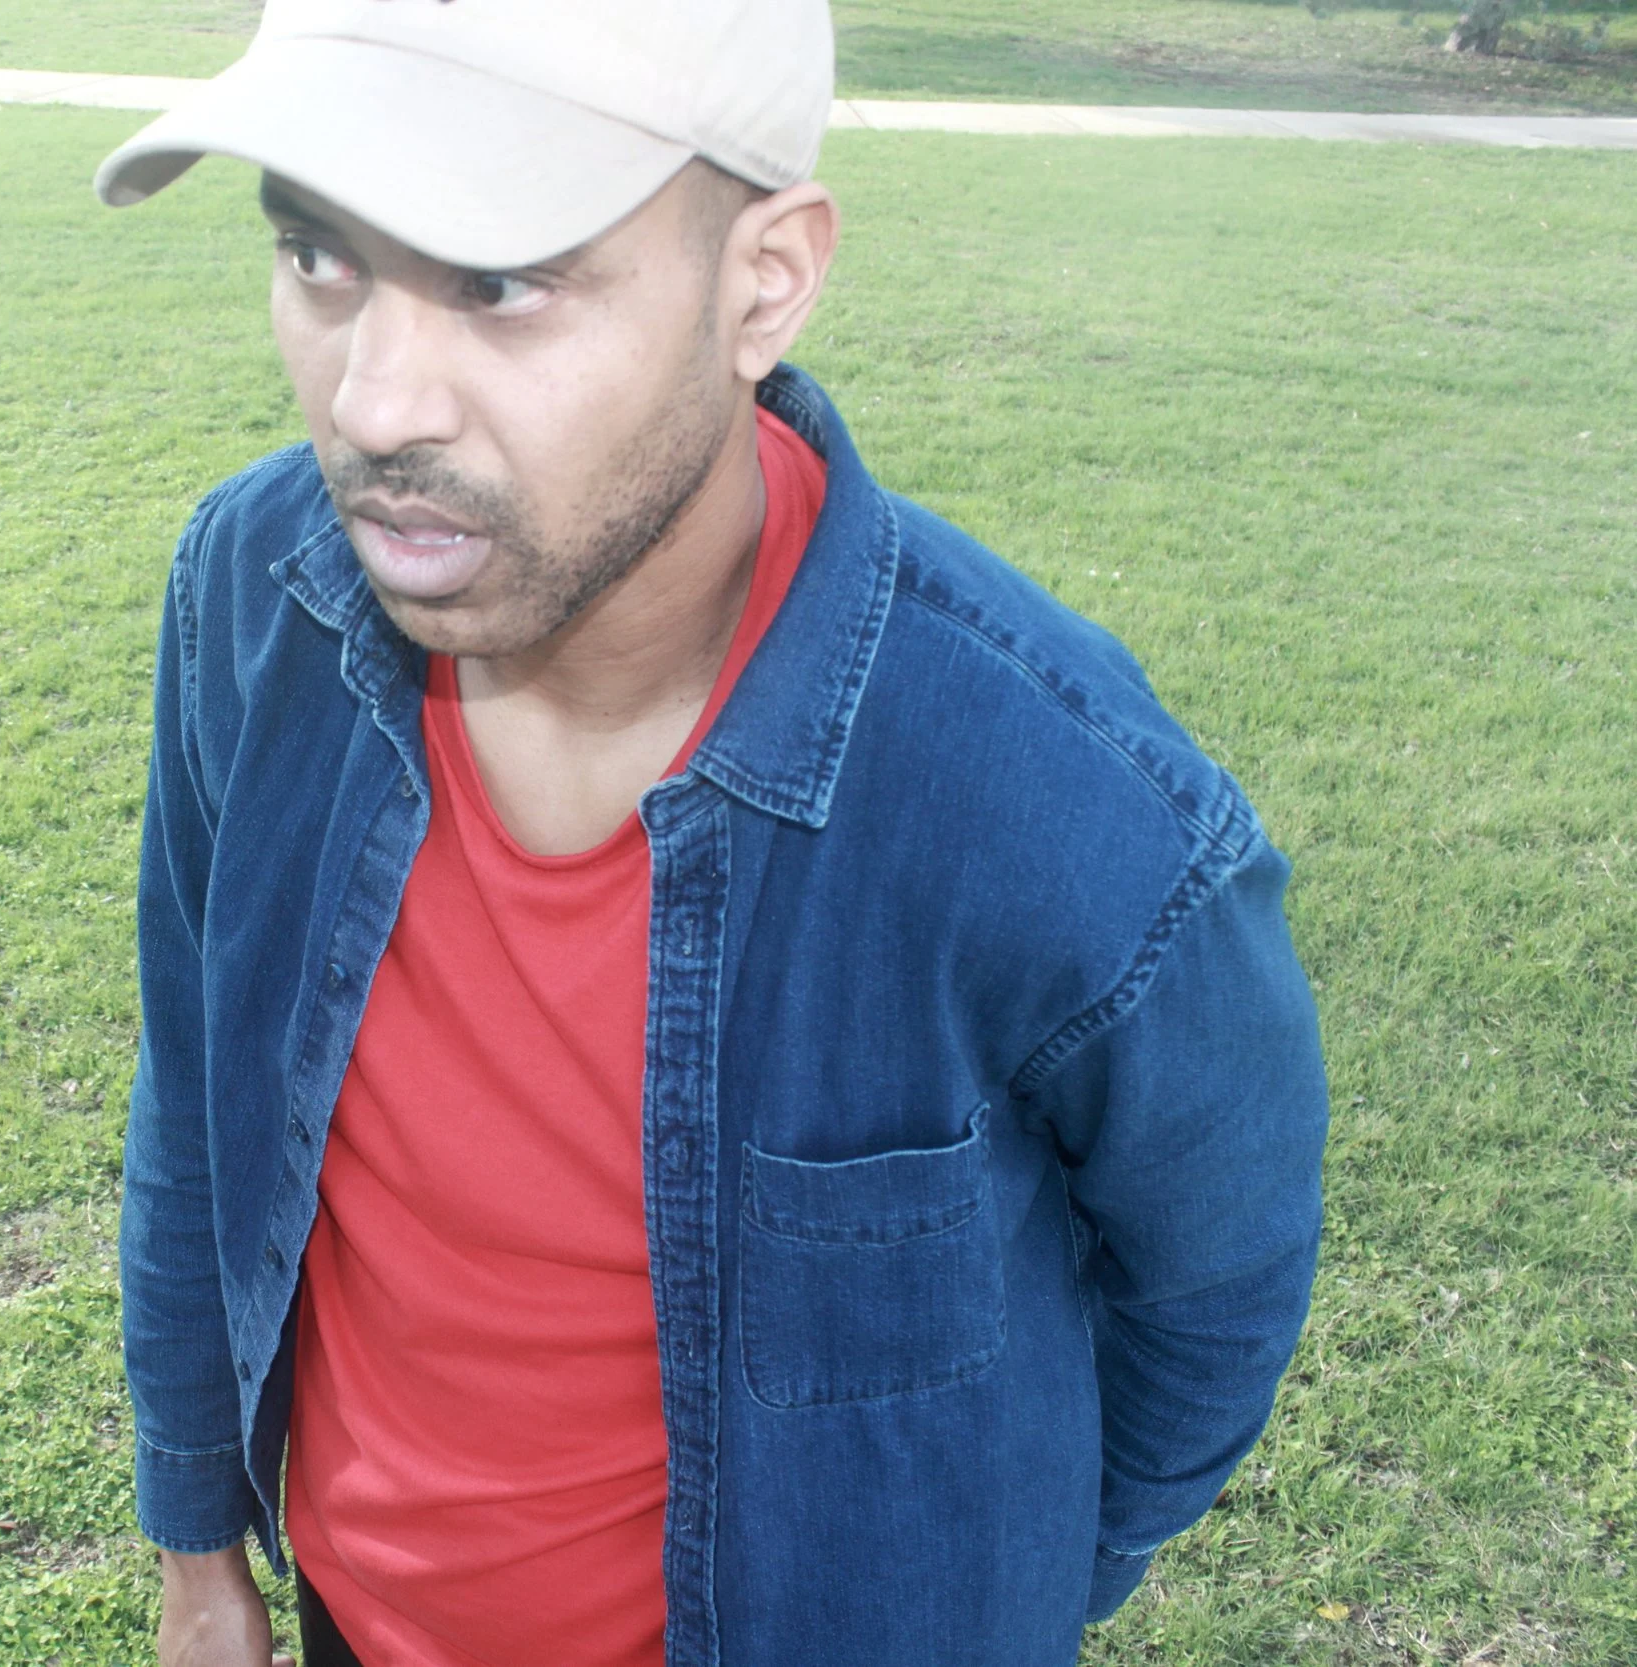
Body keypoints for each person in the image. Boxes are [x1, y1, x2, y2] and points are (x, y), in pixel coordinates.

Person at [91, 2, 1330, 1663]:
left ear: (764, 283)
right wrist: (200, 1546)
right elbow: (198, 1092)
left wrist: (977, 1587)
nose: (375, 403)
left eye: (498, 278)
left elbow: (1222, 1275)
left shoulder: (1063, 804)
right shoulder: (253, 602)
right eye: (319, 256)